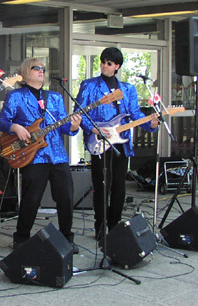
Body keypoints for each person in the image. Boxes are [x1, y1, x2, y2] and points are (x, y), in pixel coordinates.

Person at [0, 58, 81, 254]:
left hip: (57, 154)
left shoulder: (56, 97)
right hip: (33, 155)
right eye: (37, 68)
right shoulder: (16, 96)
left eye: (43, 68)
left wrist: (74, 126)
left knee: (66, 197)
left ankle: (67, 237)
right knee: (31, 199)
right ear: (26, 72)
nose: (42, 71)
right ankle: (21, 238)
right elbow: (1, 121)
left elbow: (65, 127)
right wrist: (15, 127)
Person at [74, 47, 159, 240]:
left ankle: (115, 226)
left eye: (109, 63)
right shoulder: (89, 85)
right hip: (99, 141)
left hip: (121, 143)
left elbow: (135, 115)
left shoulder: (128, 88)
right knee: (101, 184)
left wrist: (151, 123)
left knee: (119, 186)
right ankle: (100, 226)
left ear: (117, 66)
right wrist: (94, 129)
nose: (105, 65)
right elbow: (79, 112)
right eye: (103, 62)